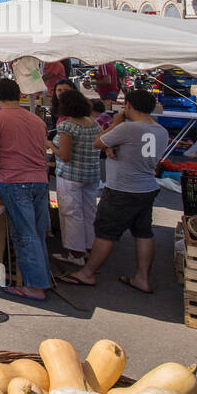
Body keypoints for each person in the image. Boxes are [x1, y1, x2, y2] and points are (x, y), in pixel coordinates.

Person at [61, 89, 169, 294]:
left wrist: (116, 122)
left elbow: (98, 142)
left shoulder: (128, 128)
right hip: (147, 187)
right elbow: (130, 149)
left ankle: (87, 273)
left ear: (128, 105)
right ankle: (142, 278)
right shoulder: (161, 131)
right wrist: (113, 147)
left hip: (122, 188)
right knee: (143, 233)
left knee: (105, 233)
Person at [0, 78, 52, 302]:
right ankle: (42, 277)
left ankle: (35, 286)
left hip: (15, 181)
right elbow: (42, 151)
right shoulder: (36, 120)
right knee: (38, 232)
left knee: (24, 235)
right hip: (40, 180)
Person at [49, 90, 101, 266]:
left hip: (71, 175)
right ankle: (88, 247)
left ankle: (75, 253)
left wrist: (49, 144)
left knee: (71, 213)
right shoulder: (93, 124)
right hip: (91, 174)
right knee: (89, 211)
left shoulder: (67, 127)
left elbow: (64, 156)